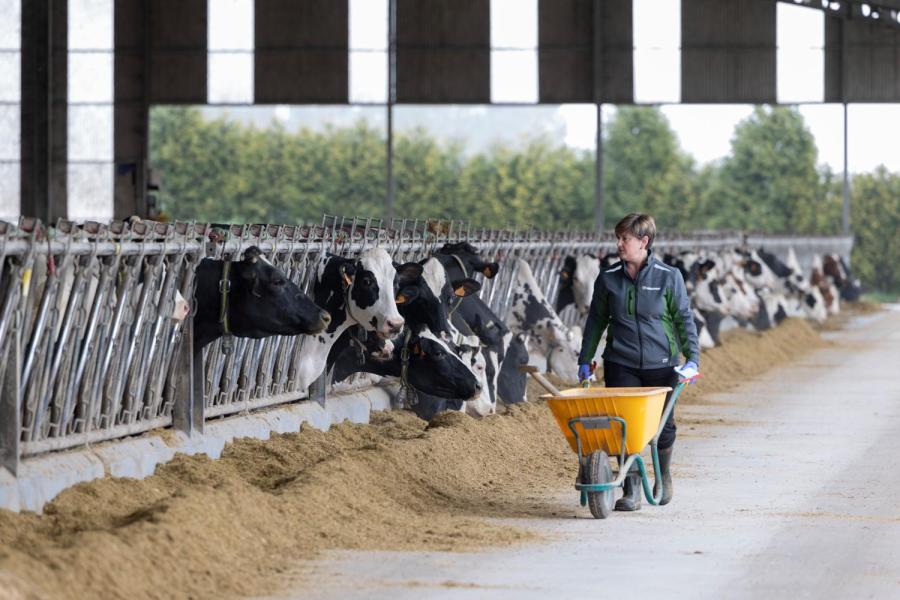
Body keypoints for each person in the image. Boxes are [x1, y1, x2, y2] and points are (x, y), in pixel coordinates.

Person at [577, 213, 699, 511]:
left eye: (625, 238)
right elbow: (596, 322)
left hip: (663, 364)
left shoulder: (669, 276)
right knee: (624, 430)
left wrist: (692, 358)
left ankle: (663, 473)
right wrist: (585, 359)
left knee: (663, 427)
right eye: (618, 238)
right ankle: (630, 489)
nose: (619, 244)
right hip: (622, 362)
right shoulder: (608, 279)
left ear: (643, 242)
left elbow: (684, 319)